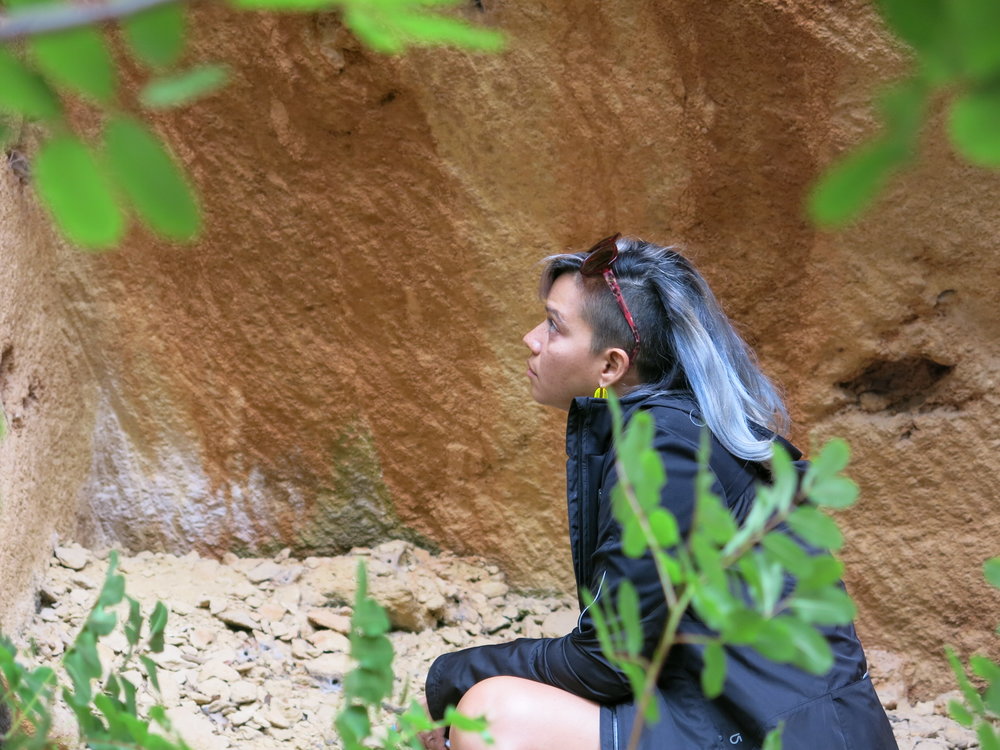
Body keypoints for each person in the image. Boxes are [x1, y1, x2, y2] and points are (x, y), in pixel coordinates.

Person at [420, 234, 897, 750]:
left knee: (491, 715)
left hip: (781, 736)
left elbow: (606, 662)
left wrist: (451, 676)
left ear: (611, 366)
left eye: (554, 325)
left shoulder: (665, 452)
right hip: (754, 722)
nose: (530, 339)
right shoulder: (680, 429)